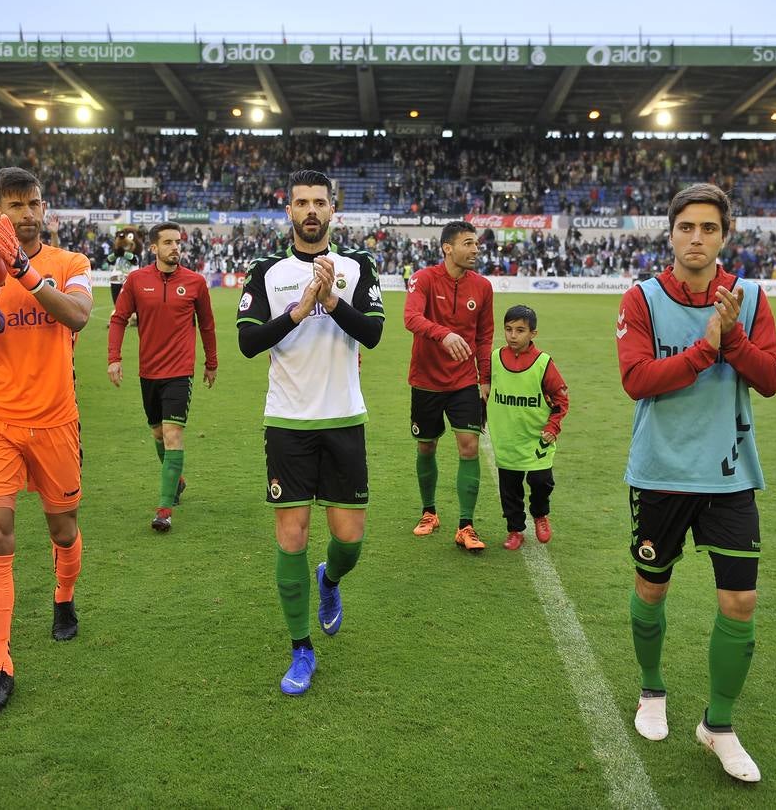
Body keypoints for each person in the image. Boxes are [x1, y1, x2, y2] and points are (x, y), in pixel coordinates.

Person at [616, 183, 776, 783]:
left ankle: (719, 724)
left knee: (740, 601)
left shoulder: (751, 297)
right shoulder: (641, 298)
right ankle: (652, 690)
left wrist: (732, 336)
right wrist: (704, 348)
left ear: (724, 235)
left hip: (730, 473)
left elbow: (771, 380)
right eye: (686, 226)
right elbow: (637, 379)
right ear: (671, 232)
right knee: (652, 591)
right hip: (660, 472)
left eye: (708, 228)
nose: (696, 237)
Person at [0, 167, 93, 715]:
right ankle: (2, 662)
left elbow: (76, 317)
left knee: (63, 526)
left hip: (56, 420)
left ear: (44, 207)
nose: (26, 213)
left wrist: (24, 272)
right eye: (14, 205)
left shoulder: (70, 264)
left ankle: (63, 599)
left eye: (33, 203)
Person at [236, 169, 384, 696]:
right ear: (289, 211)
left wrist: (332, 301)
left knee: (350, 541)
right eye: (302, 202)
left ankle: (330, 580)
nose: (311, 211)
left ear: (332, 209)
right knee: (291, 535)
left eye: (320, 202)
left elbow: (373, 333)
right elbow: (249, 344)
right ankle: (301, 649)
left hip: (344, 418)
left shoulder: (358, 266)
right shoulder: (266, 272)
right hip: (288, 422)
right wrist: (300, 310)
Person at [107, 221, 218, 532]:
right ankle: (177, 480)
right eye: (168, 242)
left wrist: (211, 362)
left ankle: (164, 510)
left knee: (172, 436)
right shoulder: (137, 280)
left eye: (177, 242)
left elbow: (207, 325)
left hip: (180, 372)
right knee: (157, 434)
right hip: (149, 372)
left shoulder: (195, 282)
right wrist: (114, 358)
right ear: (153, 248)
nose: (175, 247)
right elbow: (117, 320)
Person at [403, 220, 494, 551]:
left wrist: (485, 377)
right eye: (468, 243)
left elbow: (484, 336)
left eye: (476, 244)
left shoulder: (482, 287)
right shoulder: (423, 279)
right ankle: (429, 512)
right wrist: (444, 334)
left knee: (468, 447)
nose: (475, 249)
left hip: (463, 381)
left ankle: (466, 525)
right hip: (426, 380)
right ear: (448, 248)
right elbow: (411, 318)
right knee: (426, 446)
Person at [488, 305, 569, 550]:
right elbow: (485, 390)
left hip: (537, 440)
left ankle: (540, 514)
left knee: (541, 482)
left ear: (533, 333)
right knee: (509, 489)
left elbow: (561, 398)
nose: (513, 335)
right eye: (509, 329)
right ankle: (515, 529)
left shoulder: (543, 363)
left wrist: (553, 427)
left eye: (520, 330)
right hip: (507, 439)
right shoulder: (494, 357)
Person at [105, 228, 143, 308]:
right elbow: (109, 260)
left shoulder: (136, 255)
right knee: (118, 305)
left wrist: (123, 253)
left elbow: (134, 260)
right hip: (115, 281)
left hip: (128, 281)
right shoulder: (117, 256)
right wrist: (116, 254)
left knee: (130, 305)